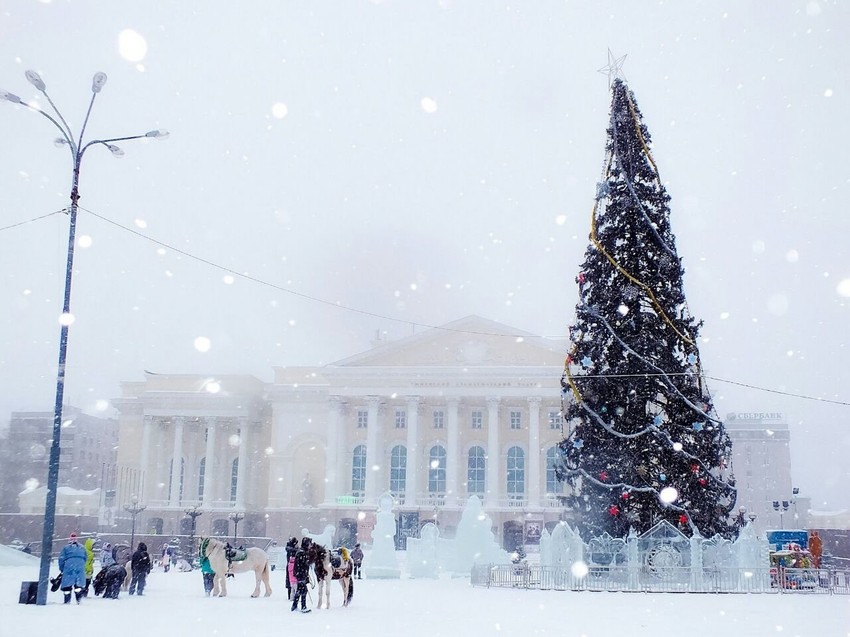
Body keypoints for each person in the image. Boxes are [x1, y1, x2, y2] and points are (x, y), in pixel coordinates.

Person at [58, 533, 88, 604]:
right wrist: (81, 565)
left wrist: (62, 569)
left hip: (69, 567)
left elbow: (61, 559)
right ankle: (79, 600)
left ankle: (67, 600)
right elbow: (85, 558)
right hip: (80, 567)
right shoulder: (82, 548)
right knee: (78, 584)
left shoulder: (66, 548)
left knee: (67, 585)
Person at [290, 537, 311, 613]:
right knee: (303, 590)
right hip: (301, 575)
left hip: (301, 575)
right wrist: (303, 574)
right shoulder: (302, 553)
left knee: (300, 590)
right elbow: (301, 566)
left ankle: (296, 606)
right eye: (309, 543)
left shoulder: (303, 552)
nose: (310, 545)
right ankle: (302, 606)